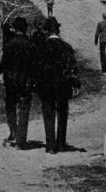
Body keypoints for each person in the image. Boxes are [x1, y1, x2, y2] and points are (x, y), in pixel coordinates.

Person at [36, 17, 80, 154]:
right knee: (62, 114)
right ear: (58, 30)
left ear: (47, 31)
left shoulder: (41, 47)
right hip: (62, 85)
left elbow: (36, 68)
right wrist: (75, 84)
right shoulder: (66, 47)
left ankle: (50, 145)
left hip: (46, 86)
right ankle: (61, 143)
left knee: (48, 113)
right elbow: (72, 68)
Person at [0, 17, 36, 149]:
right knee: (24, 110)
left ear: (14, 28)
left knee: (10, 107)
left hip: (11, 81)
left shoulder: (9, 44)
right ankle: (21, 140)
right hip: (25, 81)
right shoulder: (30, 44)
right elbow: (34, 64)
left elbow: (4, 63)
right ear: (25, 28)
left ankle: (13, 131)